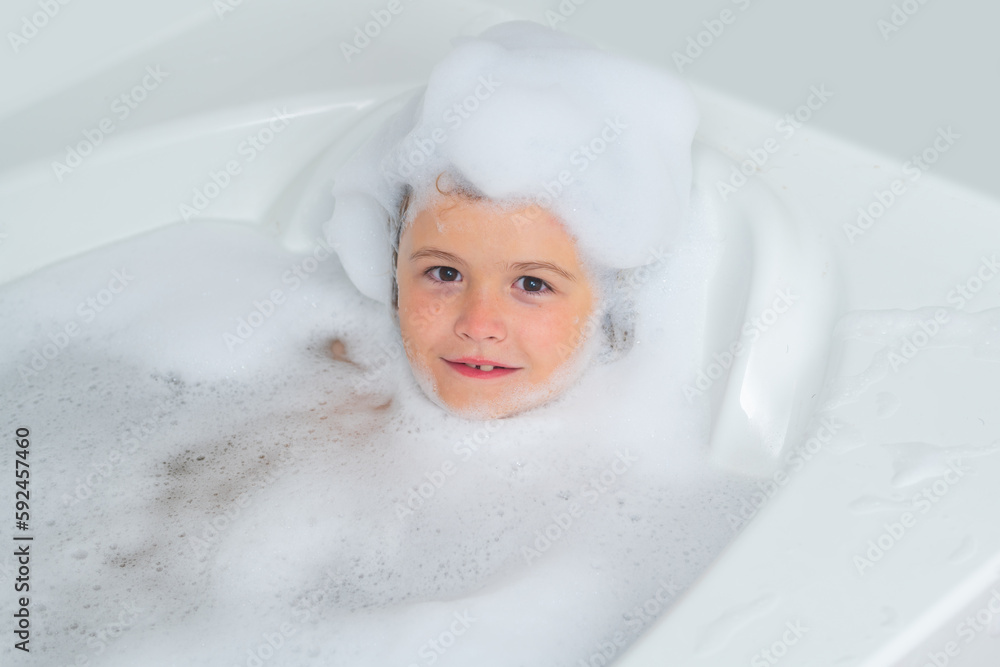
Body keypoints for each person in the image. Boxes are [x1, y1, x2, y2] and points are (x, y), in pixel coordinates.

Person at [327, 20, 698, 418]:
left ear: (608, 309)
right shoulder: (334, 396)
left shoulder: (645, 446)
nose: (478, 324)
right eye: (444, 274)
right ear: (395, 275)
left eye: (532, 283)